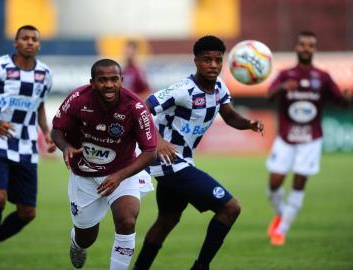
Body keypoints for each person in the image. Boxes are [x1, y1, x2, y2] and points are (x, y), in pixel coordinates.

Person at [133, 35, 264, 270]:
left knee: (167, 220)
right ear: (196, 61)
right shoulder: (183, 89)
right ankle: (201, 267)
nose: (213, 65)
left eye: (217, 60)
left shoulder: (219, 88)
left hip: (182, 161)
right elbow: (142, 108)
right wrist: (158, 140)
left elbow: (230, 116)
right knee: (230, 208)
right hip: (167, 161)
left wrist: (249, 124)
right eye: (207, 60)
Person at [51, 58, 157, 269]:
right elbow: (56, 131)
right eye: (102, 80)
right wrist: (65, 147)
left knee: (126, 220)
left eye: (114, 79)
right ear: (92, 82)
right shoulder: (77, 99)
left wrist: (119, 176)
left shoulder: (135, 106)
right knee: (86, 237)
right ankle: (77, 243)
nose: (109, 85)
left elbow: (150, 152)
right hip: (85, 174)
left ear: (121, 80)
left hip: (122, 171)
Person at [0, 25, 56, 270]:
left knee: (27, 213)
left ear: (39, 45)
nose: (29, 42)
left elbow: (39, 105)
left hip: (26, 146)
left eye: (33, 39)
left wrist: (46, 133)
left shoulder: (45, 73)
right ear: (15, 43)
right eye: (24, 38)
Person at [266, 31, 351, 246]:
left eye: (310, 45)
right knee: (274, 184)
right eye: (302, 44)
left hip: (311, 139)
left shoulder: (322, 76)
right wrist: (283, 88)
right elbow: (269, 96)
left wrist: (347, 99)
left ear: (314, 49)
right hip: (285, 137)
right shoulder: (285, 74)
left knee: (299, 182)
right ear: (296, 48)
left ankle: (281, 230)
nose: (306, 48)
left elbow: (339, 100)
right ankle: (281, 214)